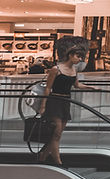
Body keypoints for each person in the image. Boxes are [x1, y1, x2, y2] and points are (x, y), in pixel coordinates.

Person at [37, 37, 95, 167]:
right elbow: (47, 88)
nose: (79, 59)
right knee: (56, 132)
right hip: (55, 101)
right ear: (70, 55)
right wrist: (43, 105)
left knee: (58, 133)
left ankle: (43, 155)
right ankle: (58, 162)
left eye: (81, 57)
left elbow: (77, 85)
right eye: (78, 56)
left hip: (65, 101)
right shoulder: (56, 69)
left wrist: (91, 87)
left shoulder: (74, 70)